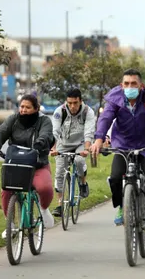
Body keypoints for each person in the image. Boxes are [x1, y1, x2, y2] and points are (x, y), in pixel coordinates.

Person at [90, 69, 145, 237]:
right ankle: (123, 206)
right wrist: (99, 139)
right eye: (127, 84)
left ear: (141, 86)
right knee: (115, 177)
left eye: (133, 84)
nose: (130, 87)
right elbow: (106, 118)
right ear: (122, 86)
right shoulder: (115, 99)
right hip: (123, 145)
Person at [0, 95, 55, 238]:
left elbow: (47, 134)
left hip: (37, 165)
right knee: (6, 191)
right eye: (22, 106)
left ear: (36, 109)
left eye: (28, 107)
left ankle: (43, 210)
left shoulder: (44, 121)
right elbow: (2, 131)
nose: (23, 110)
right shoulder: (13, 119)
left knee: (44, 188)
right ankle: (10, 225)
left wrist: (41, 141)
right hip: (16, 164)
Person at [50, 89, 96, 217]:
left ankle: (82, 183)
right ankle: (60, 204)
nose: (72, 106)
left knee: (79, 161)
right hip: (63, 143)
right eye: (69, 103)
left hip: (80, 144)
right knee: (59, 173)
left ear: (80, 101)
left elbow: (89, 132)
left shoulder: (88, 112)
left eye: (75, 103)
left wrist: (86, 149)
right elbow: (55, 131)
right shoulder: (60, 111)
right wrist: (53, 148)